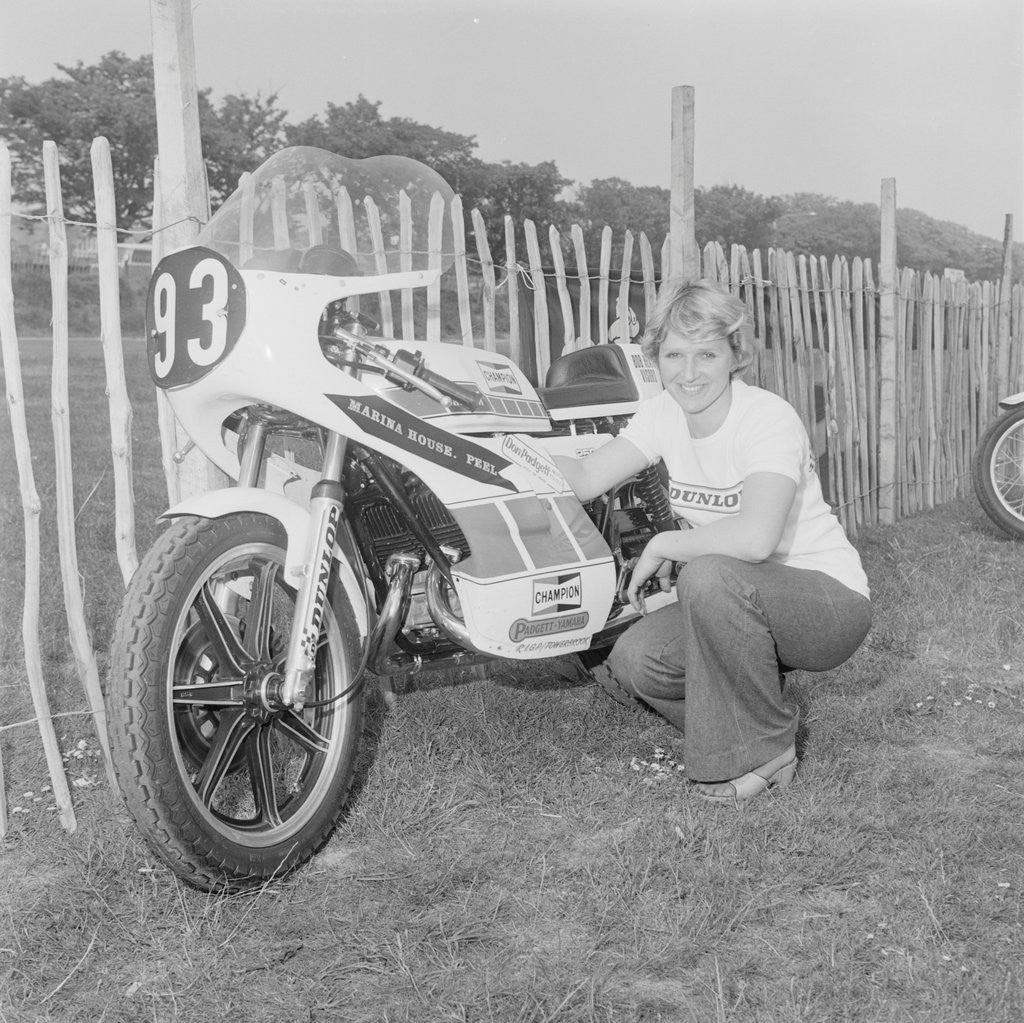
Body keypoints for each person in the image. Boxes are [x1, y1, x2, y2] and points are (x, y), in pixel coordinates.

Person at [554, 279, 871, 804]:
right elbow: (588, 478)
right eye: (674, 354)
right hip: (735, 595)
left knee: (709, 571)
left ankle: (763, 755)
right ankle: (750, 724)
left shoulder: (766, 418)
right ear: (656, 359)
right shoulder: (663, 412)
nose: (689, 371)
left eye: (706, 353)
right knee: (638, 662)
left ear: (734, 355)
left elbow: (754, 538)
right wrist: (512, 451)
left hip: (825, 604)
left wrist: (663, 545)